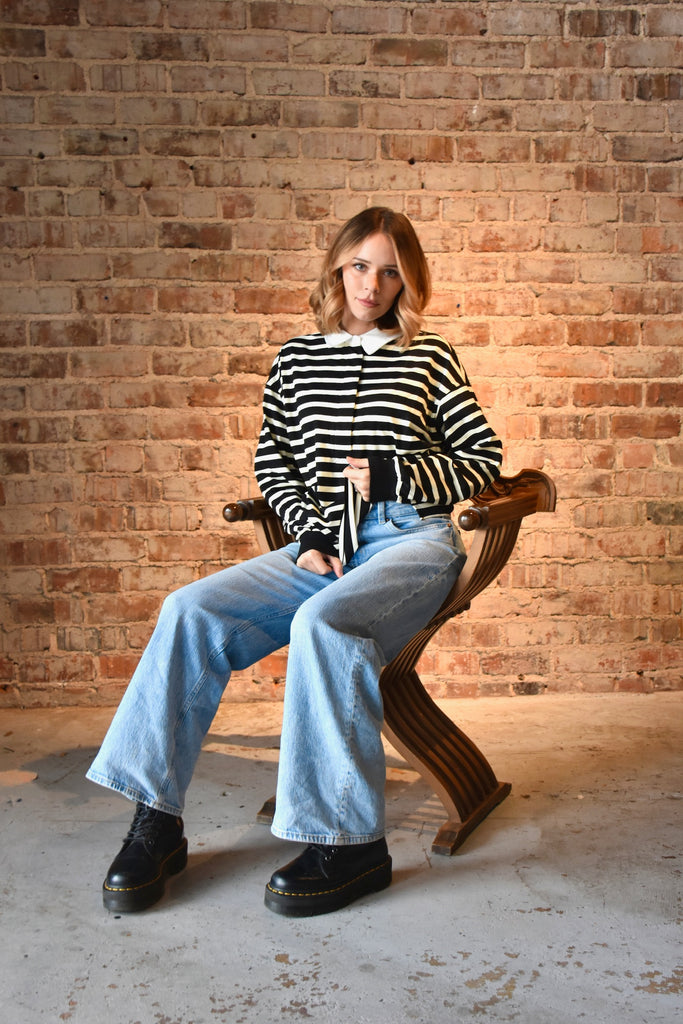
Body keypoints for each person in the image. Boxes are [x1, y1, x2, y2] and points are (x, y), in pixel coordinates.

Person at [87, 207, 503, 917]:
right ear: (338, 268)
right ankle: (156, 820)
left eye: (390, 272)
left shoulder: (429, 357)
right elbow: (274, 463)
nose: (371, 285)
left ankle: (351, 845)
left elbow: (481, 458)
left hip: (411, 541)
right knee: (189, 610)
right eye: (360, 266)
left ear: (407, 282)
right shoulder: (296, 359)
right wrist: (310, 536)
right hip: (323, 543)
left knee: (324, 622)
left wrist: (394, 474)